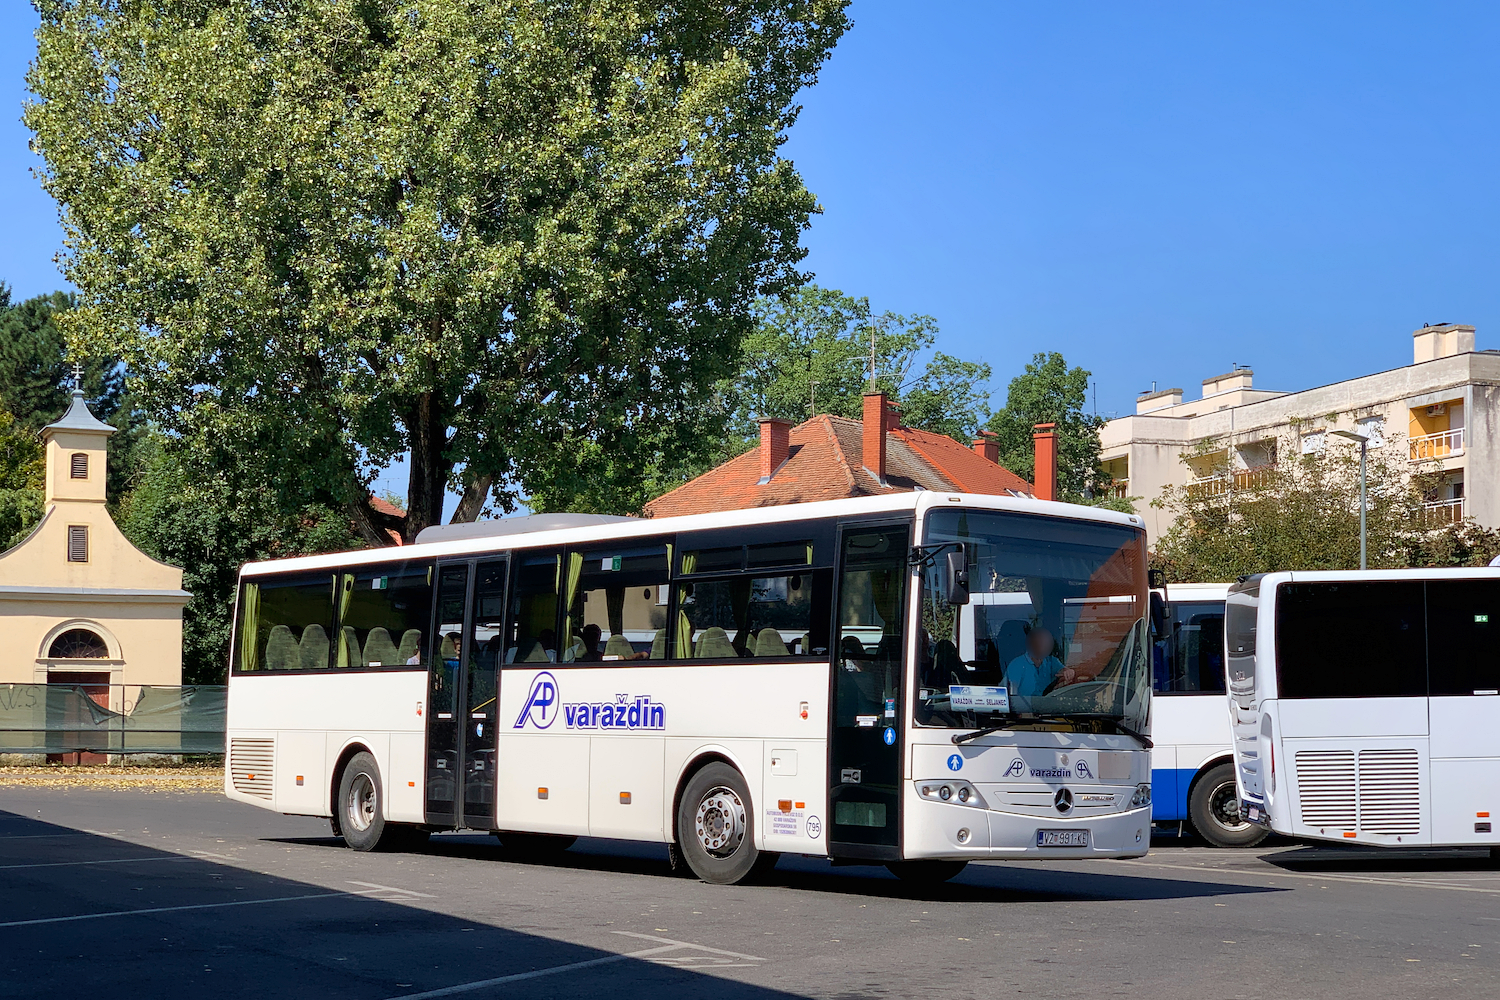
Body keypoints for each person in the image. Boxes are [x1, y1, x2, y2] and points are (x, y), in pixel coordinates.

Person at [1004, 627, 1077, 710]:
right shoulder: (1016, 664)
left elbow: (1062, 670)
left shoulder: (1051, 661)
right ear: (1031, 643)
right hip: (1024, 715)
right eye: (1039, 641)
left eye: (1046, 642)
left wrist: (1068, 672)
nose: (1043, 645)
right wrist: (1020, 712)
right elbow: (1010, 695)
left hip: (1048, 713)